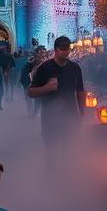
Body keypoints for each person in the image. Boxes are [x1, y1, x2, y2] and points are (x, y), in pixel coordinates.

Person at [28, 36, 86, 166]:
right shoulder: (45, 68)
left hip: (70, 116)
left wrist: (82, 112)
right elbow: (31, 92)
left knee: (69, 152)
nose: (66, 52)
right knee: (51, 153)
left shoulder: (75, 68)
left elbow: (80, 91)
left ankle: (66, 179)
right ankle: (52, 180)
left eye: (68, 49)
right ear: (56, 50)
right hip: (50, 117)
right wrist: (46, 88)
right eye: (63, 49)